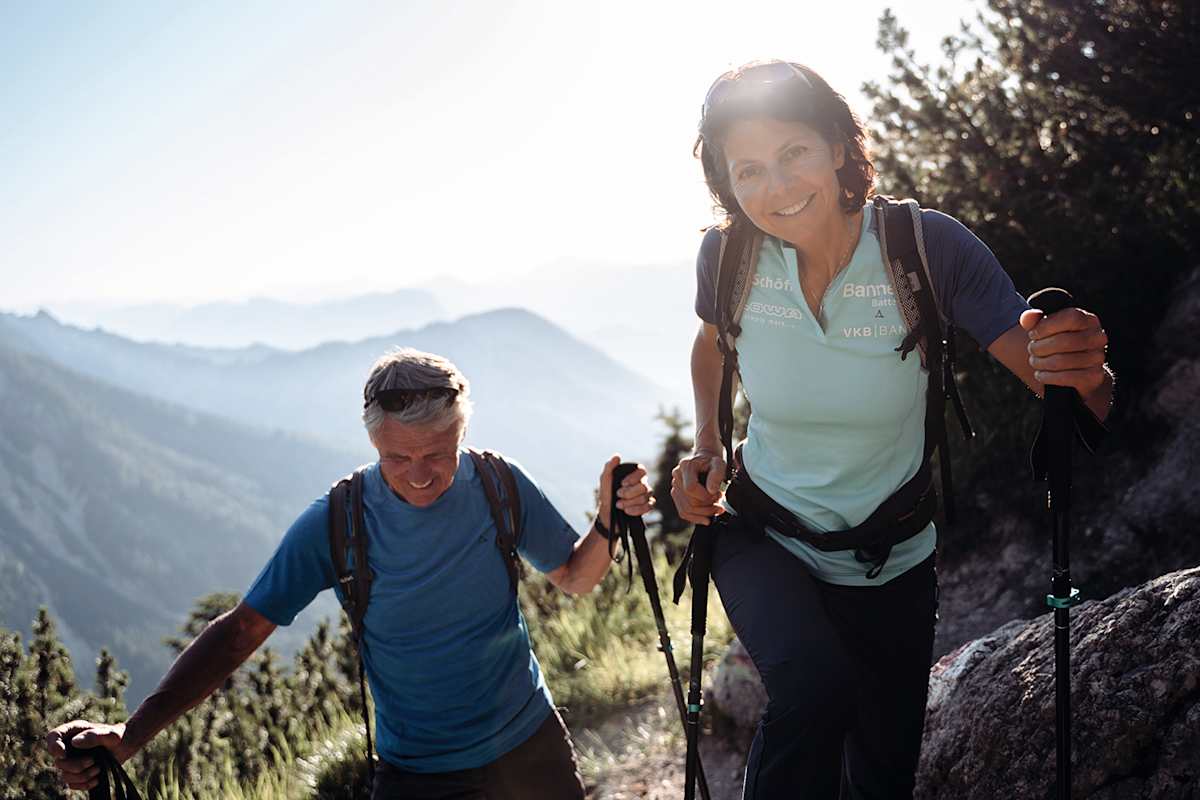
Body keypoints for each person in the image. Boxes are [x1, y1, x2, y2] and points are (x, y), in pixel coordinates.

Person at [670, 60, 1114, 799]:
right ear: (727, 183)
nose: (776, 187)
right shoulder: (729, 257)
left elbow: (1069, 394)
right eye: (748, 170)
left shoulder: (924, 249)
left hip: (893, 558)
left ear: (838, 147)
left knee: (882, 772)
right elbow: (713, 343)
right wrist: (707, 447)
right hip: (762, 531)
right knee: (814, 690)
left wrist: (1082, 369)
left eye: (794, 153)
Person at [46, 347, 655, 800]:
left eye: (437, 455)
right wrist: (131, 734)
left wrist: (609, 521)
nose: (419, 475)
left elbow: (574, 576)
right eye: (397, 458)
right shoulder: (338, 521)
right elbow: (240, 631)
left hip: (530, 747)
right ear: (373, 444)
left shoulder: (500, 485)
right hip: (417, 775)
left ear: (462, 434)